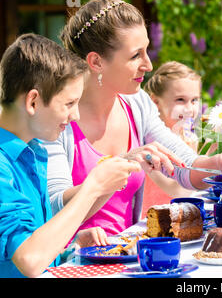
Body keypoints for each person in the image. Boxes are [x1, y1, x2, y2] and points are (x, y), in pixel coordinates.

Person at [43, 0, 222, 238]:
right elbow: (55, 209)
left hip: (128, 255)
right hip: (71, 262)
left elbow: (184, 167)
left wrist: (221, 162)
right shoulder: (57, 117)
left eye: (146, 51)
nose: (149, 65)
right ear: (96, 61)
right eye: (135, 56)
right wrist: (125, 164)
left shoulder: (137, 103)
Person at [0, 33, 141, 278]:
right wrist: (93, 187)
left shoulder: (33, 151)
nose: (75, 115)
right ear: (33, 101)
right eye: (68, 104)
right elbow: (29, 261)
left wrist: (68, 249)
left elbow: (36, 248)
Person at [142, 61, 201, 208]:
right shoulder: (149, 141)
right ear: (155, 102)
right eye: (180, 100)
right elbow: (178, 190)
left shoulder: (189, 137)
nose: (189, 109)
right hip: (151, 217)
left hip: (181, 215)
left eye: (194, 100)